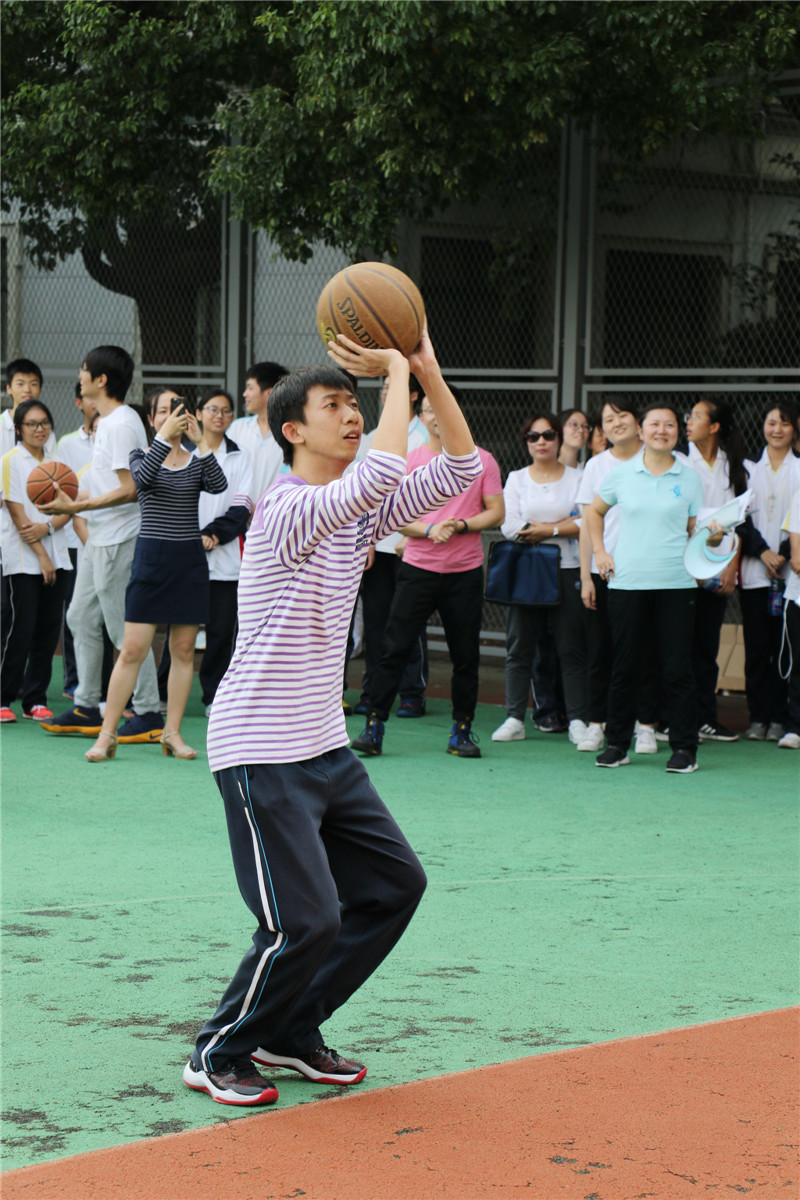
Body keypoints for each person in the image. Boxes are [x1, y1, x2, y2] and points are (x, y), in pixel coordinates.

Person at [184, 329, 480, 1107]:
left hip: (323, 746)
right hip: (259, 748)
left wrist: (427, 368)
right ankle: (218, 1049)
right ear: (293, 430)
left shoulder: (356, 507)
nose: (353, 416)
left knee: (393, 885)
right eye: (335, 405)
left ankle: (291, 1027)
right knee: (303, 920)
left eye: (357, 405)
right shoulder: (283, 508)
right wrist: (390, 375)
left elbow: (459, 466)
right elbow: (380, 470)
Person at [352, 386, 503, 759]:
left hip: (464, 573)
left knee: (465, 655)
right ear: (420, 419)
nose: (436, 415)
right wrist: (428, 529)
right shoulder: (411, 460)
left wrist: (461, 525)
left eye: (442, 409)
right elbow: (398, 517)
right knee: (393, 648)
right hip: (418, 569)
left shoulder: (482, 460)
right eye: (429, 410)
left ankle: (462, 732)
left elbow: (495, 512)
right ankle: (374, 726)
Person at [82, 388, 228, 762]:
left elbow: (219, 485)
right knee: (132, 649)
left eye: (177, 409)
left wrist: (201, 442)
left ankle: (172, 733)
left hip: (188, 562)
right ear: (151, 419)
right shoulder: (140, 456)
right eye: (162, 411)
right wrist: (164, 438)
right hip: (151, 560)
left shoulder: (197, 461)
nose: (171, 416)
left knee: (182, 651)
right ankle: (107, 734)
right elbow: (143, 481)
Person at [39, 346, 164, 744]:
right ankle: (87, 705)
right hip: (101, 537)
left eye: (84, 370)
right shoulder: (107, 421)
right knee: (78, 617)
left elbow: (132, 490)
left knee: (124, 631)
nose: (80, 375)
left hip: (119, 537)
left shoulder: (122, 423)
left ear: (101, 380)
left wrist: (78, 505)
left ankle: (147, 712)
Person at [584, 404, 711, 773]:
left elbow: (694, 529)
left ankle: (684, 750)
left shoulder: (689, 478)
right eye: (654, 424)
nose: (662, 430)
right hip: (627, 583)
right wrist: (602, 553)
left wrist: (712, 537)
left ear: (677, 432)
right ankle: (618, 745)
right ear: (641, 431)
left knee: (677, 669)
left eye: (670, 425)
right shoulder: (621, 474)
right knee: (625, 666)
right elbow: (593, 512)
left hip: (676, 583)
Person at [492, 413, 587, 745]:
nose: (542, 441)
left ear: (559, 439)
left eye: (548, 435)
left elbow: (587, 521)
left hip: (569, 568)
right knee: (520, 648)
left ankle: (577, 720)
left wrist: (546, 529)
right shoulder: (517, 478)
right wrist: (564, 524)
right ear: (527, 442)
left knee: (571, 649)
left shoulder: (578, 477)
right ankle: (514, 718)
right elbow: (509, 526)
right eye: (534, 436)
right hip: (528, 570)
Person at [576, 397, 659, 754]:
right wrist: (587, 576)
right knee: (601, 652)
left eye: (622, 415)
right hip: (607, 573)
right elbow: (586, 525)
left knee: (647, 653)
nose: (616, 423)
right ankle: (597, 724)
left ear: (639, 422)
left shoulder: (662, 462)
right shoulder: (597, 465)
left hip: (653, 575)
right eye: (608, 419)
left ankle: (646, 726)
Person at [351, 372, 429, 718]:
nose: (385, 394)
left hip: (416, 545)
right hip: (379, 547)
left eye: (392, 387)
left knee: (409, 622)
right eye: (382, 389)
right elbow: (361, 495)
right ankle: (372, 691)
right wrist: (365, 539)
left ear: (412, 394)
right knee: (377, 621)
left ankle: (412, 692)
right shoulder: (369, 437)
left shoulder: (427, 434)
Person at [0, 399, 72, 722]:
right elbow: (18, 515)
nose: (40, 428)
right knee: (20, 628)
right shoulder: (11, 460)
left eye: (44, 422)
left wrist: (48, 526)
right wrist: (42, 556)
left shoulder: (58, 462)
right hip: (23, 559)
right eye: (32, 424)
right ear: (18, 429)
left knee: (47, 629)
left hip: (56, 554)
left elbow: (67, 509)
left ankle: (35, 700)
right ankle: (3, 697)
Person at [684, 397, 749, 742]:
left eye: (695, 417)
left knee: (707, 649)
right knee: (678, 646)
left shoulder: (734, 465)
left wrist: (730, 567)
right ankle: (673, 720)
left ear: (714, 426)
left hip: (719, 569)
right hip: (682, 570)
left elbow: (741, 522)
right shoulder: (679, 461)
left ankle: (706, 718)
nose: (687, 422)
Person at [739, 401, 800, 741]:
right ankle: (757, 716)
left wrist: (785, 555)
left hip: (791, 574)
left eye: (785, 423)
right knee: (756, 646)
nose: (777, 429)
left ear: (795, 429)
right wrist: (762, 551)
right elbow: (739, 517)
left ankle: (781, 717)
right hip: (754, 571)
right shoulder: (748, 469)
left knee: (785, 647)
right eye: (771, 422)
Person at [195, 388, 253, 713]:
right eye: (212, 409)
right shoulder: (183, 451)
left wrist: (213, 535)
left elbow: (242, 506)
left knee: (220, 631)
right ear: (199, 413)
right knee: (180, 628)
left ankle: (213, 696)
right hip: (187, 556)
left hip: (227, 558)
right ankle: (161, 693)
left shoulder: (241, 455)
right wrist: (193, 538)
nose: (219, 415)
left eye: (226, 410)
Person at [55, 381, 98, 698]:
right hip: (75, 541)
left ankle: (110, 690)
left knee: (108, 621)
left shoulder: (118, 438)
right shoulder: (67, 443)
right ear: (77, 402)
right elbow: (57, 489)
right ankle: (74, 682)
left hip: (109, 544)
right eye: (87, 398)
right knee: (75, 613)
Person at [228, 361, 289, 508]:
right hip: (237, 518)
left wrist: (263, 507)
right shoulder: (238, 428)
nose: (245, 394)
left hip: (274, 516)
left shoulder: (290, 432)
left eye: (250, 388)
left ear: (269, 392)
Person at [777, 486, 800, 749]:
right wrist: (797, 556)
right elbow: (796, 536)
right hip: (798, 594)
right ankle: (796, 727)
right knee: (798, 662)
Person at [2, 359, 55, 459]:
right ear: (8, 388)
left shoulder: (45, 430)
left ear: (40, 390)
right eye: (20, 384)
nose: (27, 390)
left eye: (33, 384)